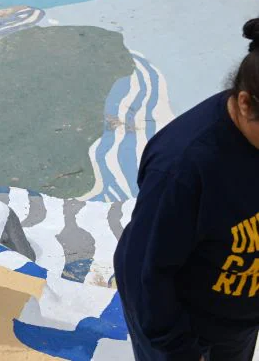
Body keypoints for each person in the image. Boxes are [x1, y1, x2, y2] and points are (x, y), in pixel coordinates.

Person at [114, 18, 259, 361]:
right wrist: (180, 351)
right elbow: (145, 273)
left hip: (238, 318)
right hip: (186, 331)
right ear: (244, 103)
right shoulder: (183, 167)